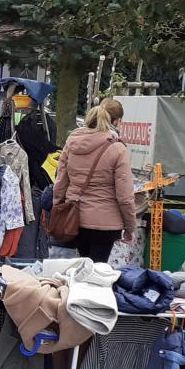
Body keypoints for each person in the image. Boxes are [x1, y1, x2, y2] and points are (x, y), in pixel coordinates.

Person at [52, 104, 135, 263]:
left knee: (83, 264)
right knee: (98, 270)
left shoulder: (71, 144)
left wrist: (58, 208)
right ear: (116, 122)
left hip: (75, 218)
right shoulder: (117, 149)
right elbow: (125, 197)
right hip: (106, 223)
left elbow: (61, 182)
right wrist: (130, 227)